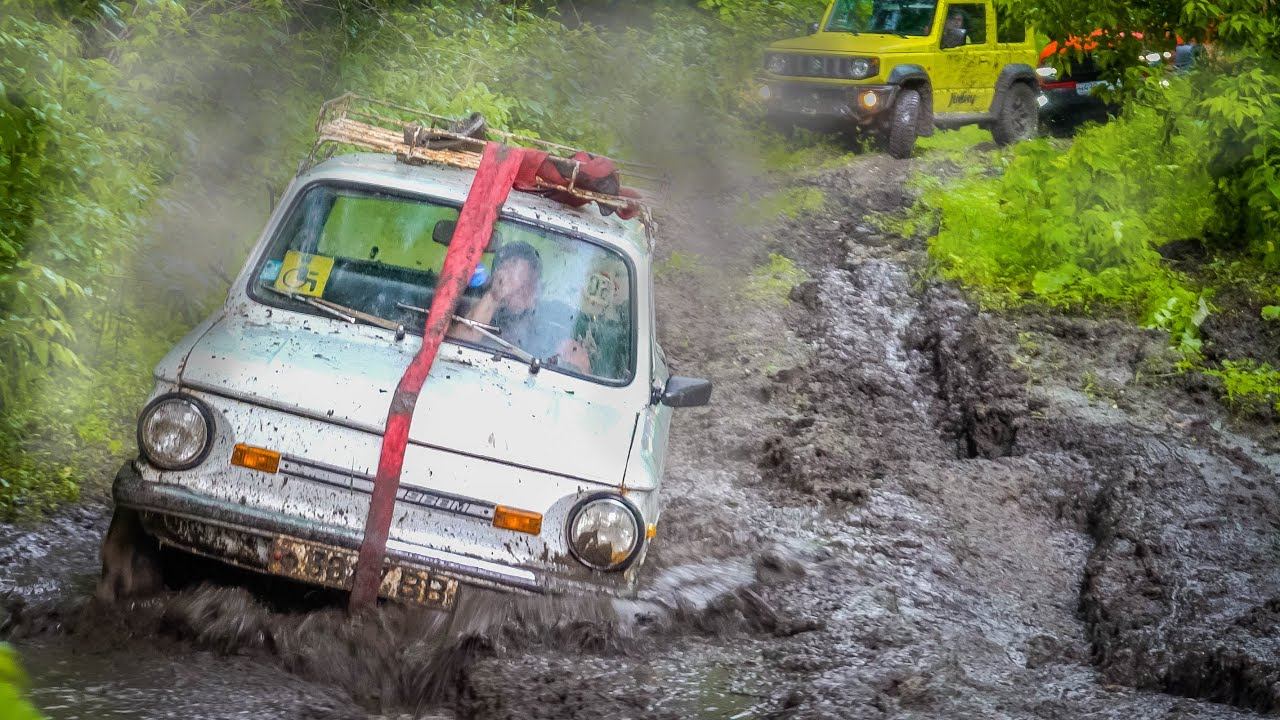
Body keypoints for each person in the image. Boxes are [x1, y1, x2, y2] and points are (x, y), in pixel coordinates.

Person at [452, 241, 592, 374]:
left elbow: (583, 379)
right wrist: (494, 296)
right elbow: (455, 352)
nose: (528, 298)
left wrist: (569, 362)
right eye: (515, 289)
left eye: (528, 287)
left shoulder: (552, 331)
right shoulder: (470, 310)